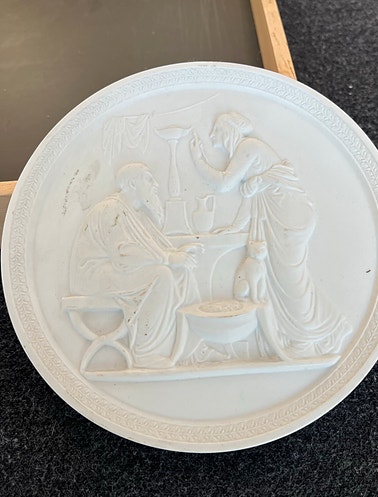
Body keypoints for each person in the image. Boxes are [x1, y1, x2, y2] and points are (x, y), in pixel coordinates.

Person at [190, 112, 350, 358]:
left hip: (289, 215)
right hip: (282, 216)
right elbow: (254, 196)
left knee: (290, 279)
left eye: (217, 130)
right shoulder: (246, 151)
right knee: (286, 279)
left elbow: (224, 184)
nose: (212, 136)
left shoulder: (248, 146)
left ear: (230, 130)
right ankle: (326, 329)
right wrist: (236, 226)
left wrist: (198, 159)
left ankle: (311, 336)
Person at [70, 162, 202, 368]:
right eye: (148, 178)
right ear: (132, 183)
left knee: (182, 273)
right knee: (161, 275)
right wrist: (168, 259)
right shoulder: (111, 209)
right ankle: (145, 352)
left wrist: (179, 253)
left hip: (115, 271)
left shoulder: (136, 213)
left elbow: (153, 248)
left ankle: (193, 344)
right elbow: (124, 254)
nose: (155, 184)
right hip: (94, 274)